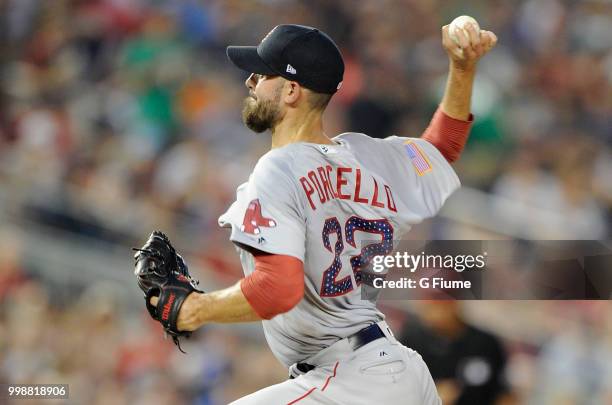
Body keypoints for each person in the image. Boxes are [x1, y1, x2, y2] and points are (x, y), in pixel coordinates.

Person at [159, 22, 497, 404]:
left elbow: (278, 288)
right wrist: (463, 68)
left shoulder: (278, 168)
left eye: (263, 72)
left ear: (290, 90)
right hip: (394, 372)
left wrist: (194, 308)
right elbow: (442, 146)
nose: (251, 81)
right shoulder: (369, 157)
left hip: (354, 380)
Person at [400, 302, 513, 405]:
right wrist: (431, 396)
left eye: (442, 301)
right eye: (431, 301)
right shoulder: (410, 340)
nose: (438, 309)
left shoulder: (485, 343)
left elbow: (503, 393)